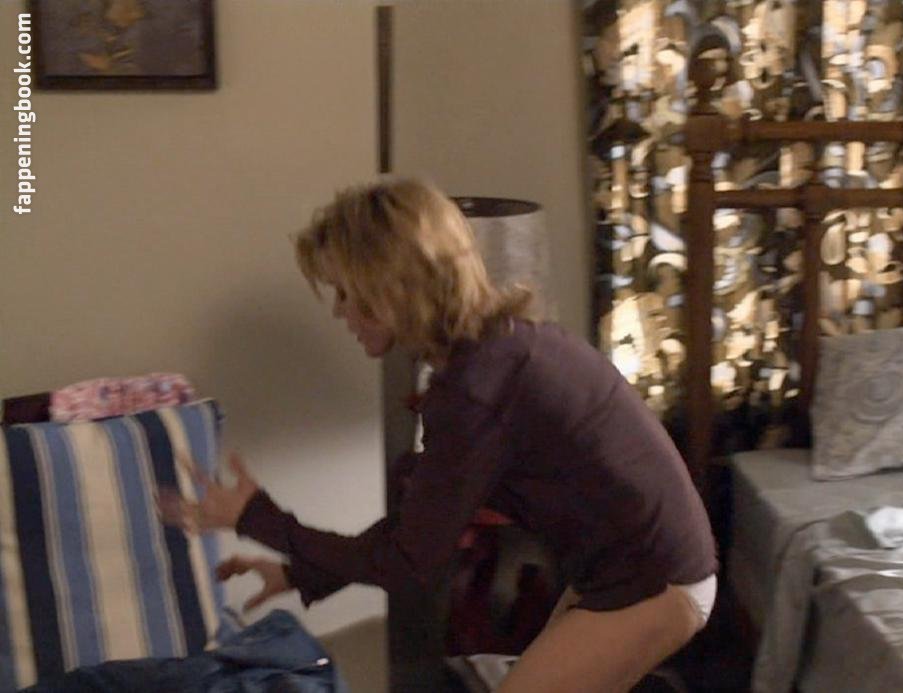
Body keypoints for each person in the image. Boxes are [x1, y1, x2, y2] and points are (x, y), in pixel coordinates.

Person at [159, 177, 718, 692]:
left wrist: (258, 519)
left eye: (346, 293)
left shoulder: (478, 389)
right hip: (636, 570)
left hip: (653, 580)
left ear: (390, 289)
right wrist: (300, 571)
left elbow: (410, 564)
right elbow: (424, 524)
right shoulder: (501, 350)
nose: (339, 312)